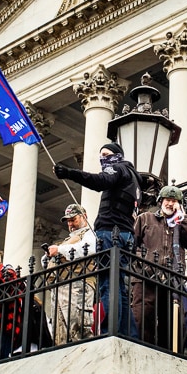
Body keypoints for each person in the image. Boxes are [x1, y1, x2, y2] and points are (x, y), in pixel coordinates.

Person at [54, 142, 141, 338]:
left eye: (106, 154)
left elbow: (99, 181)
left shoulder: (118, 168)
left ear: (117, 155)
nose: (103, 158)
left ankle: (111, 332)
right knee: (121, 288)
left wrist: (69, 173)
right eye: (101, 155)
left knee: (109, 284)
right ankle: (129, 334)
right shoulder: (134, 177)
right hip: (125, 234)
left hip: (110, 232)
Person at [132, 185, 187, 348]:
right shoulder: (145, 218)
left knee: (169, 322)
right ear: (160, 201)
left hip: (171, 280)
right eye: (168, 200)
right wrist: (143, 262)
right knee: (142, 317)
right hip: (145, 277)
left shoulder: (180, 224)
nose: (170, 204)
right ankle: (141, 350)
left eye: (175, 201)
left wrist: (182, 217)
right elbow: (132, 245)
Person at [42, 204, 97, 345]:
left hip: (78, 283)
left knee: (78, 325)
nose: (70, 224)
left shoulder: (90, 233)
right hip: (59, 285)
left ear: (84, 217)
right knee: (60, 332)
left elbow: (89, 249)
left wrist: (60, 250)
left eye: (73, 219)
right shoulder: (68, 240)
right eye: (68, 221)